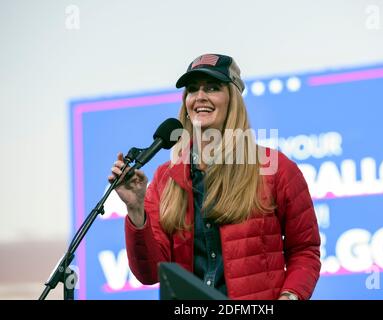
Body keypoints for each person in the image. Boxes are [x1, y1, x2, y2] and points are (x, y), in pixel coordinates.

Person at [108, 54, 321, 300]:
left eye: (212, 87)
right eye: (192, 90)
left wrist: (290, 296)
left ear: (233, 99)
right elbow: (149, 273)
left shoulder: (276, 169)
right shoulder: (165, 178)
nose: (200, 97)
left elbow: (305, 250)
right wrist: (136, 210)